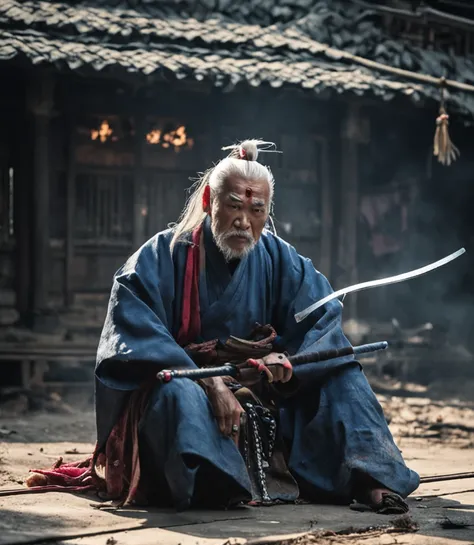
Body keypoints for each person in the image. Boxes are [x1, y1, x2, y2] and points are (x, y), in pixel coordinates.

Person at [92, 139, 419, 513]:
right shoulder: (160, 256)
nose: (243, 221)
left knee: (344, 375)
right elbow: (132, 332)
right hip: (186, 384)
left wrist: (291, 362)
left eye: (256, 209)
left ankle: (373, 479)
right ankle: (215, 485)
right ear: (207, 203)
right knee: (177, 395)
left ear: (267, 212)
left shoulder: (280, 259)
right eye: (233, 206)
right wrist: (204, 378)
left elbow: (321, 320)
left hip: (262, 389)